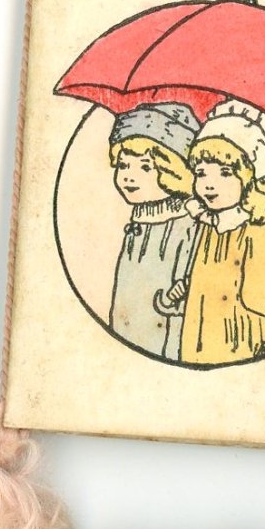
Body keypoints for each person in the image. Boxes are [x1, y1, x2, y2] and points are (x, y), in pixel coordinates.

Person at [175, 99, 265, 366]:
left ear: (250, 181)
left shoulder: (257, 234)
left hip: (246, 352)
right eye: (201, 173)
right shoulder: (209, 227)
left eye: (225, 173)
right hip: (200, 349)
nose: (209, 184)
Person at [100, 102, 202, 361]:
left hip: (166, 347)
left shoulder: (188, 224)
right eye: (123, 165)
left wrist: (173, 298)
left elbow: (190, 291)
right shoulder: (138, 222)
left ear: (173, 171)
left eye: (145, 167)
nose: (128, 177)